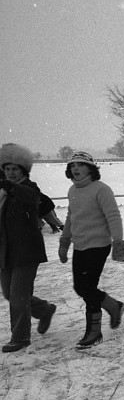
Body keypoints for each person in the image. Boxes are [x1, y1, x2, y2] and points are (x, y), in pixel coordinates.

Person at [58, 151, 124, 349]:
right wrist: (65, 241)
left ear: (90, 168)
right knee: (82, 287)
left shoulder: (101, 189)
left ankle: (94, 331)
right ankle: (113, 307)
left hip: (98, 245)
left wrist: (118, 242)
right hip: (80, 245)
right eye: (72, 166)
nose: (75, 169)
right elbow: (71, 217)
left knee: (86, 287)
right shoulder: (72, 190)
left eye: (80, 165)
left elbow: (113, 216)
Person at [0, 143, 57, 352]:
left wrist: (10, 187)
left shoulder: (30, 189)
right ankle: (44, 310)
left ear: (23, 171)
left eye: (15, 169)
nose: (11, 173)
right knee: (9, 293)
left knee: (18, 295)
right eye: (7, 169)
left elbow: (29, 198)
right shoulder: (3, 191)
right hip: (6, 250)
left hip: (26, 250)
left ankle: (20, 337)